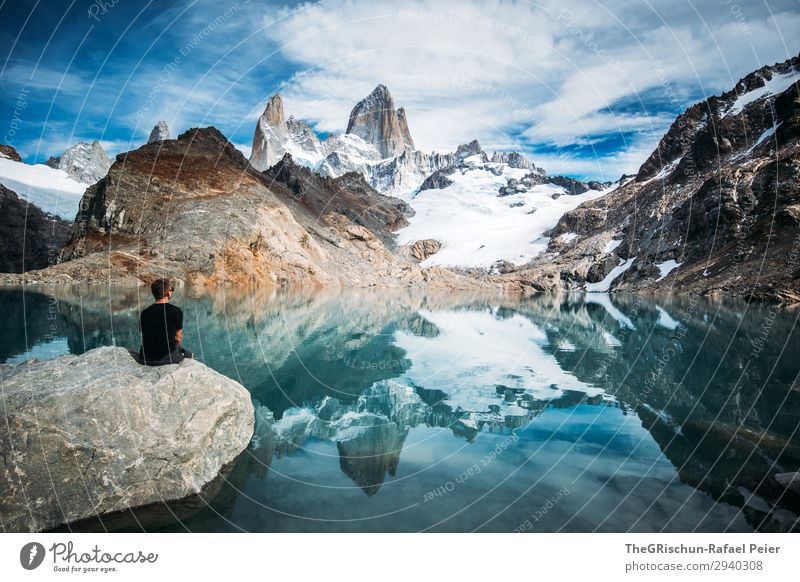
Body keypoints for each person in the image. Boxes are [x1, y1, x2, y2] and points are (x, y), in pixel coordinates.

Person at [138, 278, 193, 365]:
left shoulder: (144, 313)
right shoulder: (176, 311)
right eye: (172, 290)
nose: (172, 292)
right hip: (165, 358)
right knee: (189, 354)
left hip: (145, 358)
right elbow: (178, 338)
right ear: (168, 293)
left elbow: (145, 334)